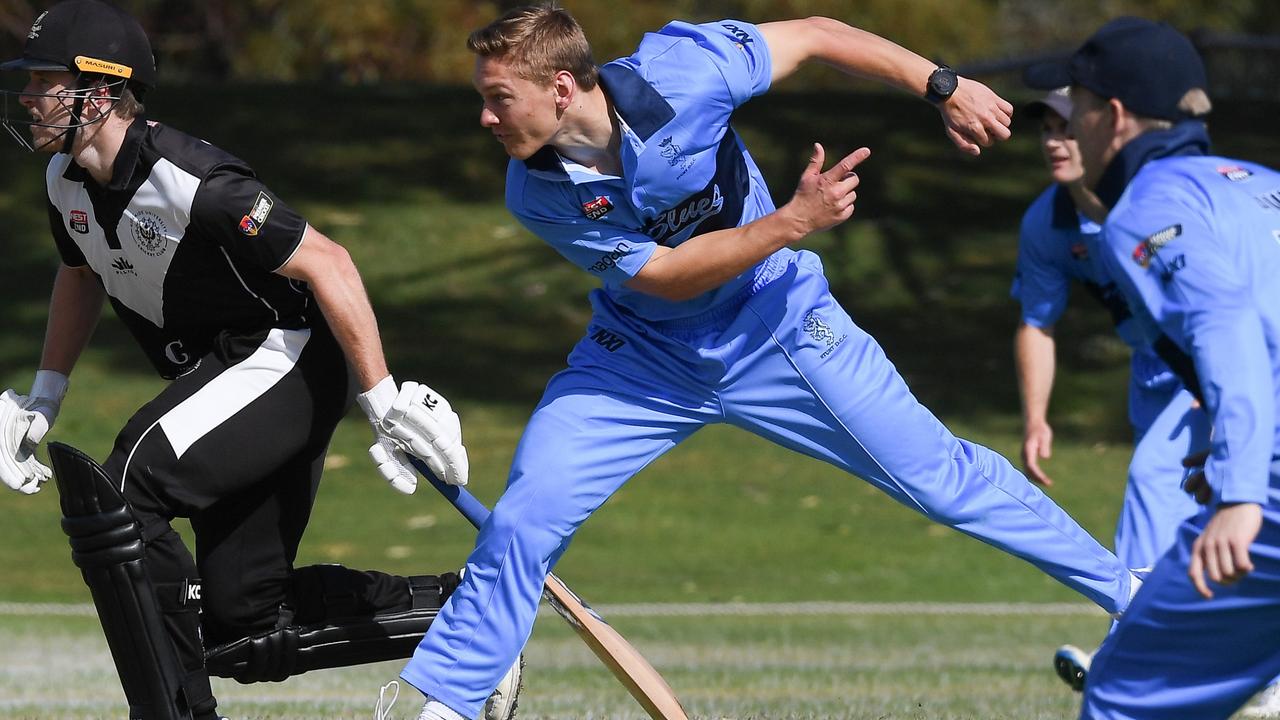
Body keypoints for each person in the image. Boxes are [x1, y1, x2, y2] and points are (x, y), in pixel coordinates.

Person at [398, 5, 1146, 719]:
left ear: (562, 88)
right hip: (643, 357)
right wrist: (792, 221)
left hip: (777, 322)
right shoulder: (534, 189)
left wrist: (940, 86)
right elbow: (666, 275)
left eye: (500, 98)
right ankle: (451, 704)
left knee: (937, 477)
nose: (487, 118)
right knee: (530, 509)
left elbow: (817, 35)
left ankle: (1136, 601)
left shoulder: (685, 70)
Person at [0, 2, 519, 719]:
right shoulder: (65, 184)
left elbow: (330, 264)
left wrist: (384, 400)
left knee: (126, 485)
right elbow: (81, 272)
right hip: (230, 372)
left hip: (289, 358)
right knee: (241, 622)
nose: (28, 97)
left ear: (101, 88)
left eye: (44, 81)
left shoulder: (197, 181)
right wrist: (43, 398)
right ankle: (468, 617)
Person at [1028, 16, 1280, 720]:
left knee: (1123, 695)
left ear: (1113, 115)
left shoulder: (1145, 205)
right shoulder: (1261, 182)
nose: (1066, 123)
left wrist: (1237, 489)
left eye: (1074, 103)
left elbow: (1225, 323)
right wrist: (1219, 445)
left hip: (1271, 491)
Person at [1008, 87, 1208, 691]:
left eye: (1067, 126)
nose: (1053, 141)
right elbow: (1036, 321)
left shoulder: (1158, 197)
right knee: (1205, 511)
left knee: (1155, 480)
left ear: (1107, 128)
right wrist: (1037, 417)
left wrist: (1223, 379)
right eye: (1044, 128)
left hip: (1216, 365)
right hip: (1155, 374)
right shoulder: (1050, 221)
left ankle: (1131, 652)